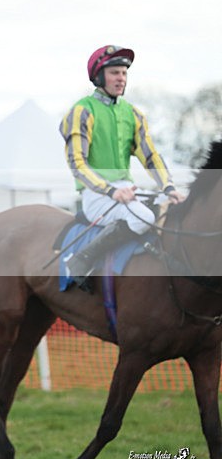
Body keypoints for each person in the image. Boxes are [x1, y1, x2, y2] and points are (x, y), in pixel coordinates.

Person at [59, 45, 185, 287]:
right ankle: (82, 259)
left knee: (179, 208)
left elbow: (150, 157)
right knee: (144, 217)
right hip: (96, 195)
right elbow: (77, 164)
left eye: (124, 73)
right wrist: (110, 190)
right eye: (115, 72)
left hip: (128, 191)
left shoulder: (133, 114)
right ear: (98, 77)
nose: (121, 78)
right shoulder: (82, 111)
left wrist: (169, 188)